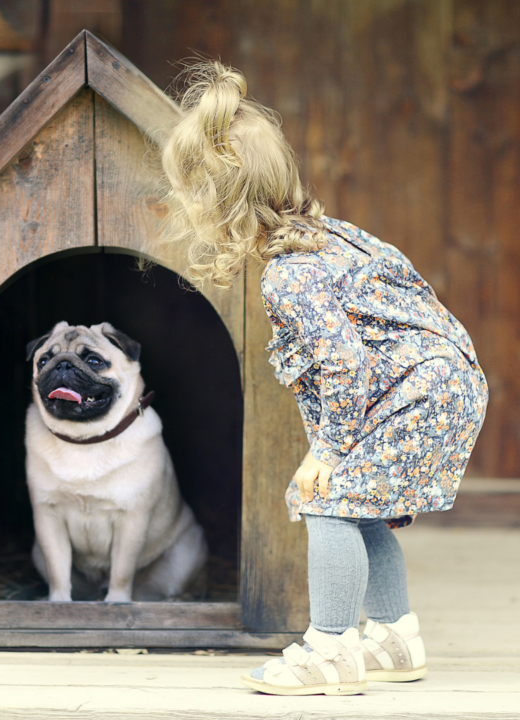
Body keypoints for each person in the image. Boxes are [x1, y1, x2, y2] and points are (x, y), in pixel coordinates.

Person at [158, 61, 488, 696]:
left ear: (218, 203)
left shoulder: (291, 276)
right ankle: (394, 638)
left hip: (416, 394)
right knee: (363, 507)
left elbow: (343, 365)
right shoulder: (328, 238)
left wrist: (328, 450)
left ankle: (330, 649)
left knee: (328, 500)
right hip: (441, 383)